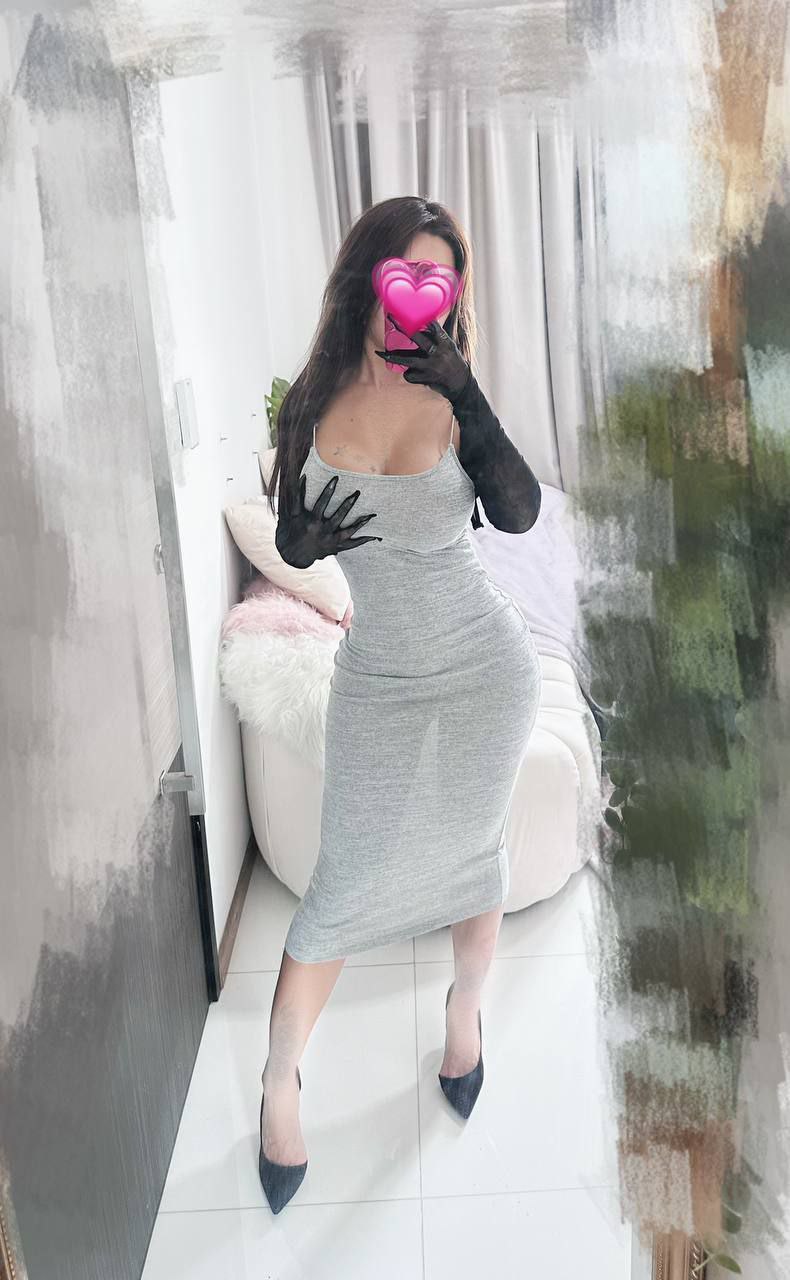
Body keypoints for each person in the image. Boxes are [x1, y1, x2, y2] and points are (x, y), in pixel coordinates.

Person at [259, 196, 543, 1213]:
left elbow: (519, 512)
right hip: (376, 679)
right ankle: (278, 1082)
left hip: (483, 672)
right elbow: (292, 537)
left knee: (474, 859)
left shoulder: (453, 395)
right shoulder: (310, 399)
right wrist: (298, 542)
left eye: (437, 284)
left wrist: (469, 394)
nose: (415, 304)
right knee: (338, 889)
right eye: (401, 278)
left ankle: (466, 1014)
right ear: (366, 282)